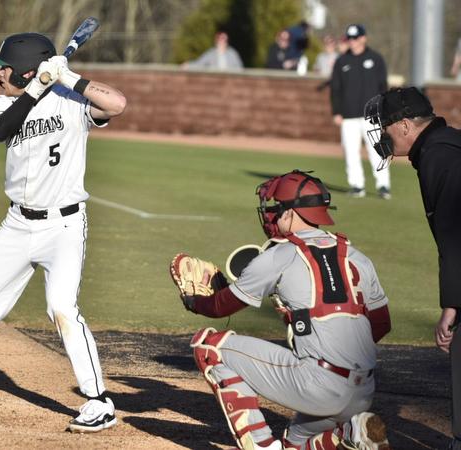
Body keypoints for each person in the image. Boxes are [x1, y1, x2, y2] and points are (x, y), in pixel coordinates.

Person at [0, 32, 127, 433]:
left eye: (4, 67)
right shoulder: (4, 102)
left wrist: (67, 78)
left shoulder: (73, 102)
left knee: (62, 309)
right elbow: (0, 130)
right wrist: (37, 86)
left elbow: (117, 104)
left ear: (23, 69)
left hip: (64, 226)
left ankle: (99, 401)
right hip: (17, 224)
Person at [172, 170, 391, 450]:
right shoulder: (357, 256)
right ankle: (351, 432)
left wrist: (193, 301)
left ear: (293, 212)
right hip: (363, 392)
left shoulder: (280, 254)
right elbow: (381, 325)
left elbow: (219, 307)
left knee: (209, 347)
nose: (272, 215)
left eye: (277, 208)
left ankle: (262, 445)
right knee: (295, 445)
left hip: (318, 384)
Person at [364, 86, 461, 450]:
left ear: (404, 125)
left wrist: (452, 303)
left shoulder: (438, 156)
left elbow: (455, 232)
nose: (383, 136)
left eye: (386, 127)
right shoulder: (446, 144)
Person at [329, 23, 390, 199]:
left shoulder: (376, 59)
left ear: (364, 38)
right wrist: (336, 112)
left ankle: (383, 185)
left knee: (377, 150)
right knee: (350, 151)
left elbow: (383, 87)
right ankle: (357, 185)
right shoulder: (342, 61)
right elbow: (335, 89)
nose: (353, 42)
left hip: (372, 116)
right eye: (350, 38)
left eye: (356, 38)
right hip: (348, 116)